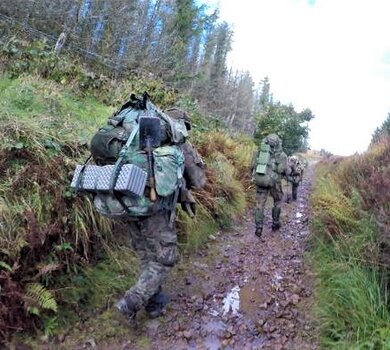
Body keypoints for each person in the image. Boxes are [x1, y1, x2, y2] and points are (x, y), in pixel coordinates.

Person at [111, 101, 206, 326]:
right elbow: (199, 180)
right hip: (156, 210)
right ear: (179, 125)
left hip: (127, 203)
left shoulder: (134, 136)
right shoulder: (179, 143)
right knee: (165, 258)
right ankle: (131, 302)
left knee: (147, 256)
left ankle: (155, 304)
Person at [251, 134, 288, 237]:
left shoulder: (259, 152)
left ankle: (258, 228)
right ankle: (275, 223)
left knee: (259, 204)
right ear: (278, 143)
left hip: (261, 180)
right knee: (277, 200)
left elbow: (252, 166)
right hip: (274, 182)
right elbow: (284, 170)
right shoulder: (282, 155)